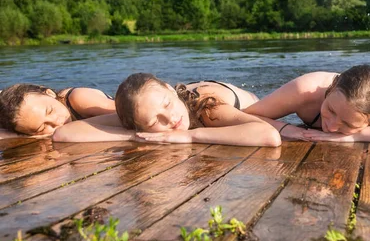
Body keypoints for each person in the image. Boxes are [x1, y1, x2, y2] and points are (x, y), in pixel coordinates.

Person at [52, 73, 280, 147]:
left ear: (171, 90)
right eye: (154, 121)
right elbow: (64, 134)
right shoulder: (144, 112)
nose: (170, 118)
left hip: (247, 101)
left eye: (167, 105)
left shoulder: (207, 109)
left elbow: (269, 135)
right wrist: (140, 135)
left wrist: (189, 136)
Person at [0, 84, 115, 139]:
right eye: (42, 128)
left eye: (50, 111)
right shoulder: (24, 122)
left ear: (50, 93)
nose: (56, 122)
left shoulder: (79, 99)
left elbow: (129, 114)